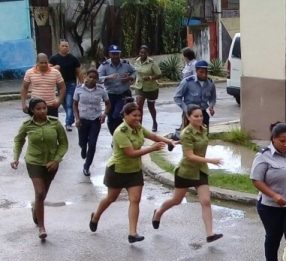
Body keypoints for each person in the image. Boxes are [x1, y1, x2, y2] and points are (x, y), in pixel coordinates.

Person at [88, 101, 177, 244]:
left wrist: (169, 141)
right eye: (134, 115)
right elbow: (130, 153)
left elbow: (153, 136)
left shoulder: (138, 127)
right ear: (125, 115)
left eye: (139, 115)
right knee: (111, 198)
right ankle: (96, 216)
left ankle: (132, 233)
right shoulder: (120, 132)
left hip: (134, 170)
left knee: (135, 200)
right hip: (118, 170)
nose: (137, 118)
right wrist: (152, 149)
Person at [151, 105, 224, 243]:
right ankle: (158, 212)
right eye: (196, 116)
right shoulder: (186, 133)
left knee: (206, 201)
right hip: (185, 172)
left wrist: (180, 142)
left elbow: (196, 144)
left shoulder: (204, 129)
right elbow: (190, 156)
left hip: (200, 171)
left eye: (201, 116)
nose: (199, 118)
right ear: (188, 117)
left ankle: (210, 234)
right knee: (176, 200)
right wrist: (211, 160)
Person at [250, 122, 286, 261]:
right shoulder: (263, 156)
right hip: (270, 206)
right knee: (273, 236)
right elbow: (256, 180)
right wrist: (274, 195)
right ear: (273, 139)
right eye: (282, 141)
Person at [11, 98, 68, 240]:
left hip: (51, 163)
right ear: (32, 110)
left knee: (42, 196)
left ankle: (36, 209)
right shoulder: (27, 125)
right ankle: (41, 227)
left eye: (44, 108)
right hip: (34, 162)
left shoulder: (55, 123)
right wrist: (15, 157)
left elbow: (63, 144)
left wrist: (56, 160)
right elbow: (19, 140)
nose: (42, 111)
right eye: (38, 109)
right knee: (40, 192)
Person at [73, 68, 110, 176]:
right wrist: (77, 118)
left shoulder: (101, 90)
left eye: (94, 78)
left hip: (95, 120)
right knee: (82, 141)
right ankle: (83, 147)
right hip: (83, 119)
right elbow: (75, 104)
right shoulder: (79, 89)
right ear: (86, 77)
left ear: (97, 79)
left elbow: (108, 104)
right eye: (90, 77)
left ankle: (87, 166)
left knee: (92, 144)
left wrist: (104, 114)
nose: (92, 79)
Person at [98, 44, 136, 135]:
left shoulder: (126, 64)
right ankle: (115, 137)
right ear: (109, 54)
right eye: (113, 54)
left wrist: (130, 78)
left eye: (117, 54)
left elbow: (134, 71)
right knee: (111, 117)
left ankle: (122, 134)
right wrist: (107, 77)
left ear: (120, 54)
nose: (115, 56)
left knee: (118, 115)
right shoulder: (104, 65)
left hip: (123, 94)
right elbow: (97, 78)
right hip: (110, 94)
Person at [50, 40, 82, 131]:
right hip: (60, 84)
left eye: (66, 46)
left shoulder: (73, 59)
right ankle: (71, 118)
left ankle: (68, 123)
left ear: (69, 47)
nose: (65, 47)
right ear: (59, 47)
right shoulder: (54, 58)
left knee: (69, 103)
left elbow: (78, 72)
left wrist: (82, 84)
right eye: (63, 46)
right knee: (63, 102)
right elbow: (47, 69)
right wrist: (54, 67)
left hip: (71, 83)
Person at [173, 60, 216, 129]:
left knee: (204, 133)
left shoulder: (210, 83)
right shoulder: (187, 82)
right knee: (188, 133)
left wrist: (211, 106)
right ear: (196, 71)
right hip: (190, 114)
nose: (204, 74)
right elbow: (177, 97)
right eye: (201, 72)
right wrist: (186, 109)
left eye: (206, 72)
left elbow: (213, 97)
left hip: (202, 113)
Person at [21, 53, 66, 118]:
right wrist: (23, 104)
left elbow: (62, 87)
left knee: (52, 124)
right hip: (35, 107)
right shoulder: (29, 72)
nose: (44, 65)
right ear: (37, 63)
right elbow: (24, 87)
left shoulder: (55, 72)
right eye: (41, 63)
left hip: (51, 106)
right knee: (36, 124)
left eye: (45, 62)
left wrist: (59, 101)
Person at [132, 45, 162, 132]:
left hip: (151, 88)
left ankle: (154, 122)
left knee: (151, 107)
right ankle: (139, 126)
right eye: (141, 52)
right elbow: (135, 72)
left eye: (144, 53)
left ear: (147, 54)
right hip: (139, 86)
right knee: (138, 106)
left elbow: (159, 74)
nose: (142, 54)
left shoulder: (152, 62)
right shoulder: (137, 61)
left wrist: (150, 77)